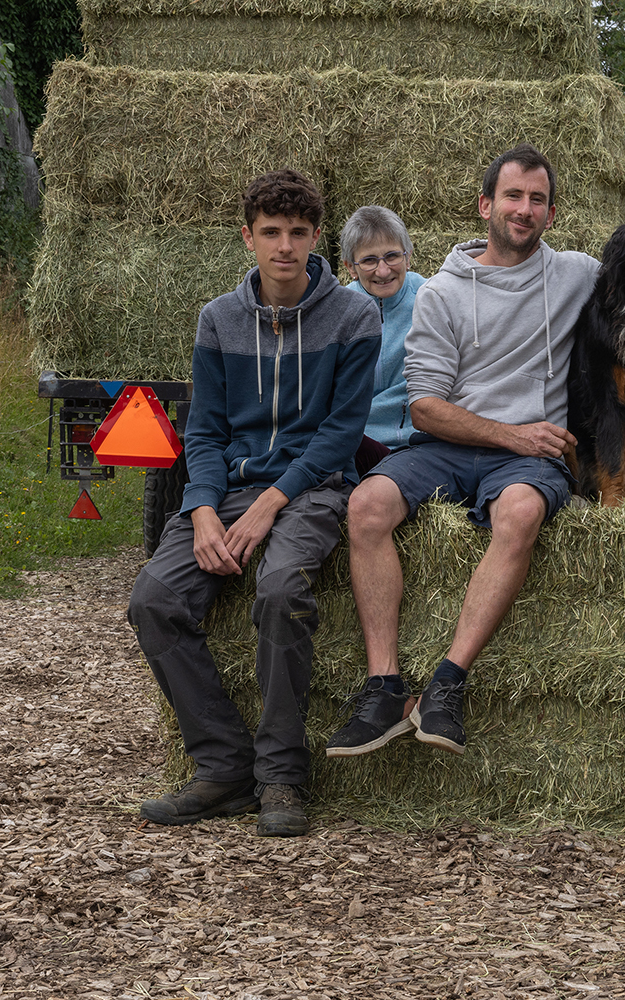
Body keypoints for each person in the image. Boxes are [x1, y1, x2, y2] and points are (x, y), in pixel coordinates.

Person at [325, 143, 600, 760]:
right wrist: (512, 433)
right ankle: (384, 688)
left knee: (521, 513)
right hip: (450, 444)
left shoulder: (577, 275)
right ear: (485, 205)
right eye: (512, 196)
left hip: (530, 459)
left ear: (552, 214)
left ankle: (446, 685)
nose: (523, 209)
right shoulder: (443, 293)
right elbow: (424, 406)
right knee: (366, 505)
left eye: (537, 199)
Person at [128, 169, 381, 838]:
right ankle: (223, 767)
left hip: (313, 487)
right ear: (248, 237)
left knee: (279, 590)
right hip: (230, 487)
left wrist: (271, 502)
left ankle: (281, 774)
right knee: (153, 598)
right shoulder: (218, 319)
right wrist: (203, 509)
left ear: (317, 236)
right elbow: (205, 431)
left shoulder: (354, 316)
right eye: (271, 232)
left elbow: (341, 434)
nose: (285, 246)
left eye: (297, 232)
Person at [341, 204, 426, 476]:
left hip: (422, 440)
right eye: (369, 260)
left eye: (392, 256)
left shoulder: (432, 299)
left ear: (408, 257)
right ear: (350, 267)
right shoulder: (338, 312)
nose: (383, 270)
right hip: (359, 443)